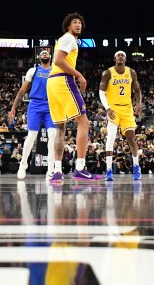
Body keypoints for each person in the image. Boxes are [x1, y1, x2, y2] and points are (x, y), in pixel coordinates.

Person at [45, 12, 100, 183]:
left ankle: (57, 171)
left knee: (60, 128)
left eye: (80, 23)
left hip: (52, 83)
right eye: (74, 22)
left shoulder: (63, 39)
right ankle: (80, 168)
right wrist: (79, 75)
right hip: (63, 80)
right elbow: (59, 61)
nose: (78, 25)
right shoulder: (69, 38)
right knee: (83, 122)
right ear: (68, 26)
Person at [8, 49, 58, 180]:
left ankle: (51, 170)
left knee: (52, 135)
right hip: (35, 104)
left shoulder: (55, 71)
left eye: (46, 53)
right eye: (42, 54)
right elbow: (22, 90)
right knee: (31, 136)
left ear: (50, 56)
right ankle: (23, 165)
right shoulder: (33, 70)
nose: (45, 54)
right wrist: (13, 107)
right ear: (39, 57)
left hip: (50, 105)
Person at [98, 51, 143, 181]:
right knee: (111, 137)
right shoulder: (108, 73)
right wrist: (107, 108)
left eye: (123, 55)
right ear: (114, 58)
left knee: (131, 138)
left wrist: (138, 103)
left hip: (127, 109)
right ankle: (108, 169)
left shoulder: (131, 72)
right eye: (118, 55)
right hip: (114, 109)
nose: (120, 57)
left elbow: (137, 90)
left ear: (126, 58)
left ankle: (136, 166)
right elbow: (101, 92)